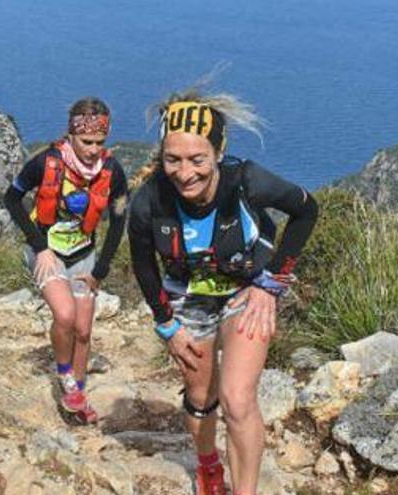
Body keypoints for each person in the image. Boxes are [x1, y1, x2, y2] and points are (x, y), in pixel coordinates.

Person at [128, 90, 318, 495]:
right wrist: (167, 326)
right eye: (172, 160)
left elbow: (307, 209)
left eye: (198, 160)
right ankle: (208, 466)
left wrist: (273, 284)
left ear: (219, 151)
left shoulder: (245, 181)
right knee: (201, 396)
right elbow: (144, 266)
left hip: (247, 290)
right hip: (186, 298)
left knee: (236, 399)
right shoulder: (148, 201)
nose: (184, 173)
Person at [4, 97, 128, 424]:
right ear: (71, 135)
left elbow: (118, 222)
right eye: (86, 141)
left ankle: (78, 395)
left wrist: (100, 270)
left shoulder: (112, 171)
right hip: (47, 252)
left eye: (99, 143)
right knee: (66, 314)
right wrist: (37, 245)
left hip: (83, 255)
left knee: (84, 332)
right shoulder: (46, 162)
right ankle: (65, 376)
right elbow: (12, 198)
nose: (92, 149)